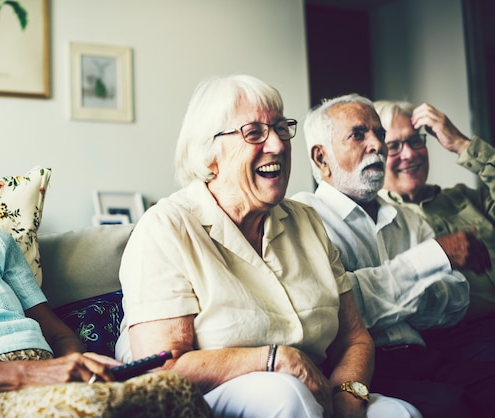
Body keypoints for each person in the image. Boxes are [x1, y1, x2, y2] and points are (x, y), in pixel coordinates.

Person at [114, 75, 421, 418]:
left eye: (280, 128)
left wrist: (348, 393)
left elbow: (354, 339)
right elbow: (162, 368)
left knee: (401, 413)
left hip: (315, 390)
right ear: (210, 152)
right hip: (213, 399)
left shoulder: (307, 221)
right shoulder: (166, 227)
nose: (277, 144)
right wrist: (275, 359)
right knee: (285, 394)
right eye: (255, 133)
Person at [0, 127, 212, 417]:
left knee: (175, 387)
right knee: (83, 410)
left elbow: (56, 332)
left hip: (50, 374)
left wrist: (77, 364)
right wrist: (31, 374)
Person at [292, 93, 495, 418]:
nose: (377, 144)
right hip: (363, 369)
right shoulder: (304, 216)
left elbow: (455, 301)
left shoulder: (408, 219)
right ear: (321, 158)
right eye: (359, 134)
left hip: (425, 354)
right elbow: (338, 310)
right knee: (454, 407)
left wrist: (385, 291)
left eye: (379, 134)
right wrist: (431, 260)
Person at [375, 100, 495, 323]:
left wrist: (461, 144)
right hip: (462, 340)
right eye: (393, 146)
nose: (409, 154)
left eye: (414, 140)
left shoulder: (466, 198)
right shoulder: (377, 221)